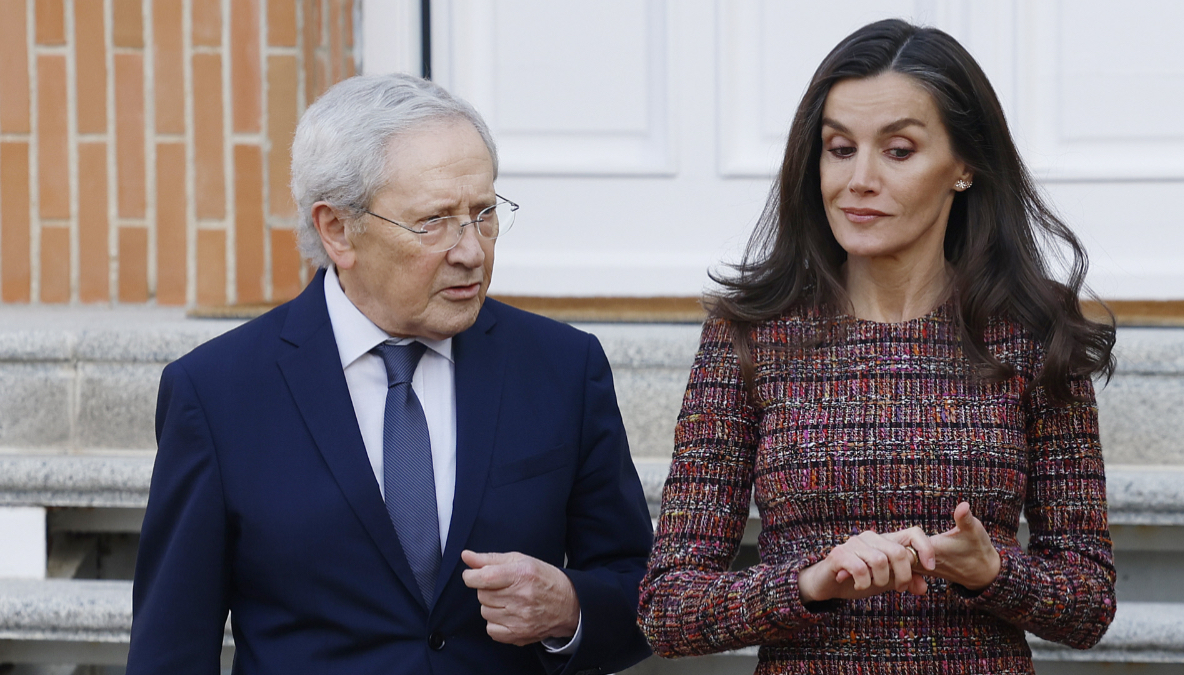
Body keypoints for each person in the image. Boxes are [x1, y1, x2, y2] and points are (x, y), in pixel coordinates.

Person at [127, 73, 653, 675]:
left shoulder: (561, 367)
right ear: (338, 230)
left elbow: (643, 590)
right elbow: (170, 649)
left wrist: (571, 609)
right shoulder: (219, 393)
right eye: (434, 221)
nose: (472, 251)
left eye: (483, 213)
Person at [638, 18, 1117, 674]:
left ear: (965, 166)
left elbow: (1089, 603)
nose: (858, 179)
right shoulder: (750, 333)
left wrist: (993, 571)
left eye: (898, 151)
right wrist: (812, 581)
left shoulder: (1032, 332)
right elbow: (668, 608)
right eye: (839, 148)